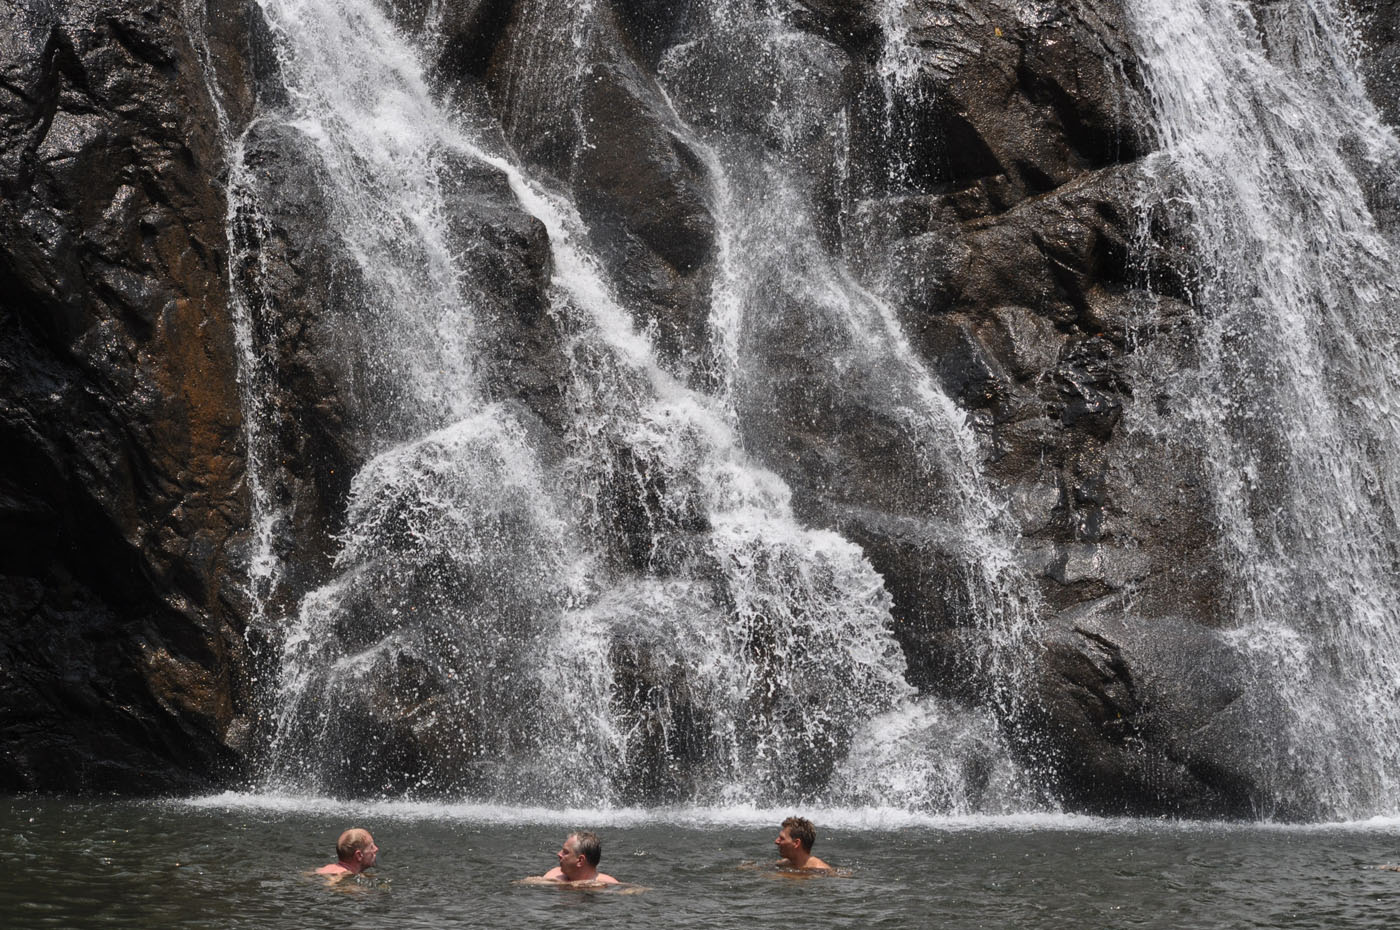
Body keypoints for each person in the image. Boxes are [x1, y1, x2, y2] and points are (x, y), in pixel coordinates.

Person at [541, 831, 619, 885]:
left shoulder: (607, 884)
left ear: (580, 860)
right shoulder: (554, 874)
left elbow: (628, 890)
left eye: (565, 852)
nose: (559, 854)